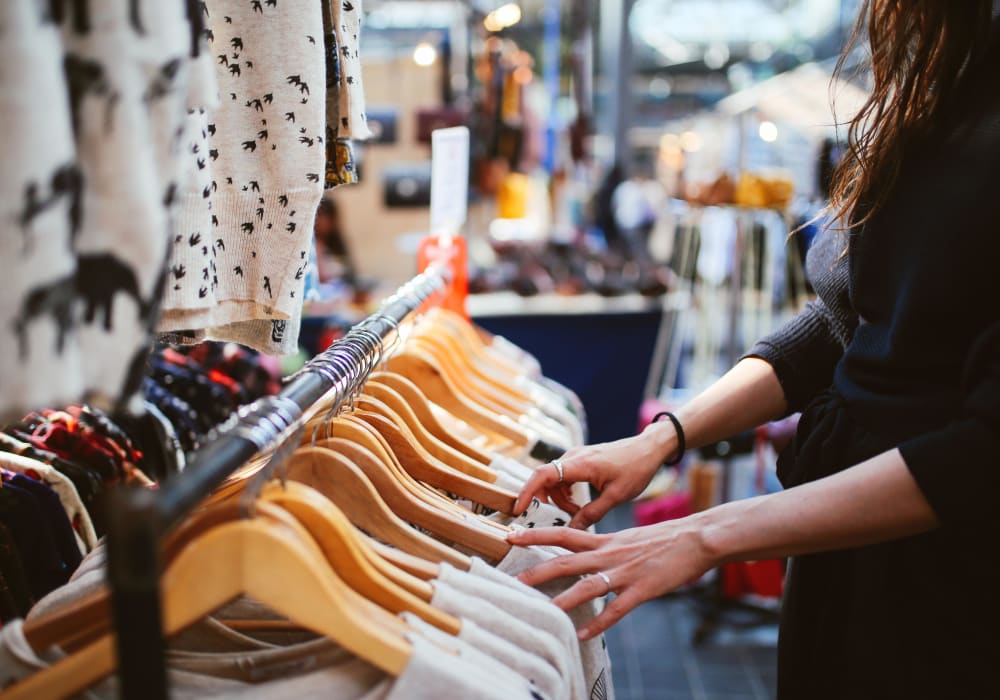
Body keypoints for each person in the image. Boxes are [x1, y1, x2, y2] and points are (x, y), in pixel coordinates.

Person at [507, 3, 1000, 698]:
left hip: (945, 584)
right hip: (842, 555)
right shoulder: (939, 84)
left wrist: (707, 535)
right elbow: (845, 322)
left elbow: (984, 452)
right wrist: (662, 440)